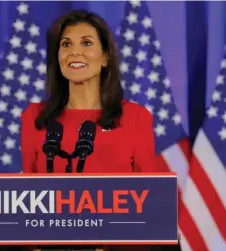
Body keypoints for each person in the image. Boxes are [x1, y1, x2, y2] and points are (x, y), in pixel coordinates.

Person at [20, 9, 181, 251]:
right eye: (66, 44)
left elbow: (148, 200)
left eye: (86, 43)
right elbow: (28, 196)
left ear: (105, 57)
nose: (74, 51)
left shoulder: (135, 118)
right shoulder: (34, 117)